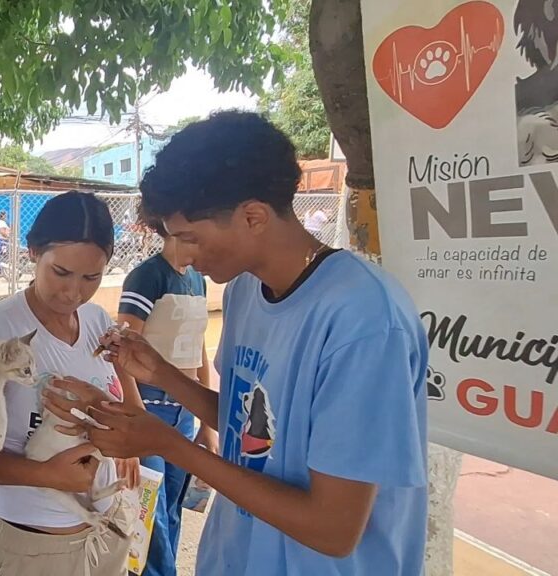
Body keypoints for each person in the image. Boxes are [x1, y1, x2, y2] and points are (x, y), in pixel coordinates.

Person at [63, 111, 430, 575]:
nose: (184, 256)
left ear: (253, 217)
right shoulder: (244, 291)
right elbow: (253, 428)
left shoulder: (363, 320)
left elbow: (334, 529)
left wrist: (170, 444)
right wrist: (162, 374)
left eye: (190, 238)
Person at [0, 191, 138, 576]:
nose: (74, 292)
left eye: (91, 277)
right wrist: (47, 475)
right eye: (61, 272)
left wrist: (128, 446)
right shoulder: (0, 328)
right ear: (34, 251)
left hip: (105, 535)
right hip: (30, 546)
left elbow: (129, 409)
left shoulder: (96, 321)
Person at [115, 209, 215, 576]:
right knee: (150, 512)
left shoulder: (198, 280)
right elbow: (121, 348)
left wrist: (207, 423)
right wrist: (135, 412)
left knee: (173, 508)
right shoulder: (147, 277)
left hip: (184, 413)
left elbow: (198, 348)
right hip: (149, 409)